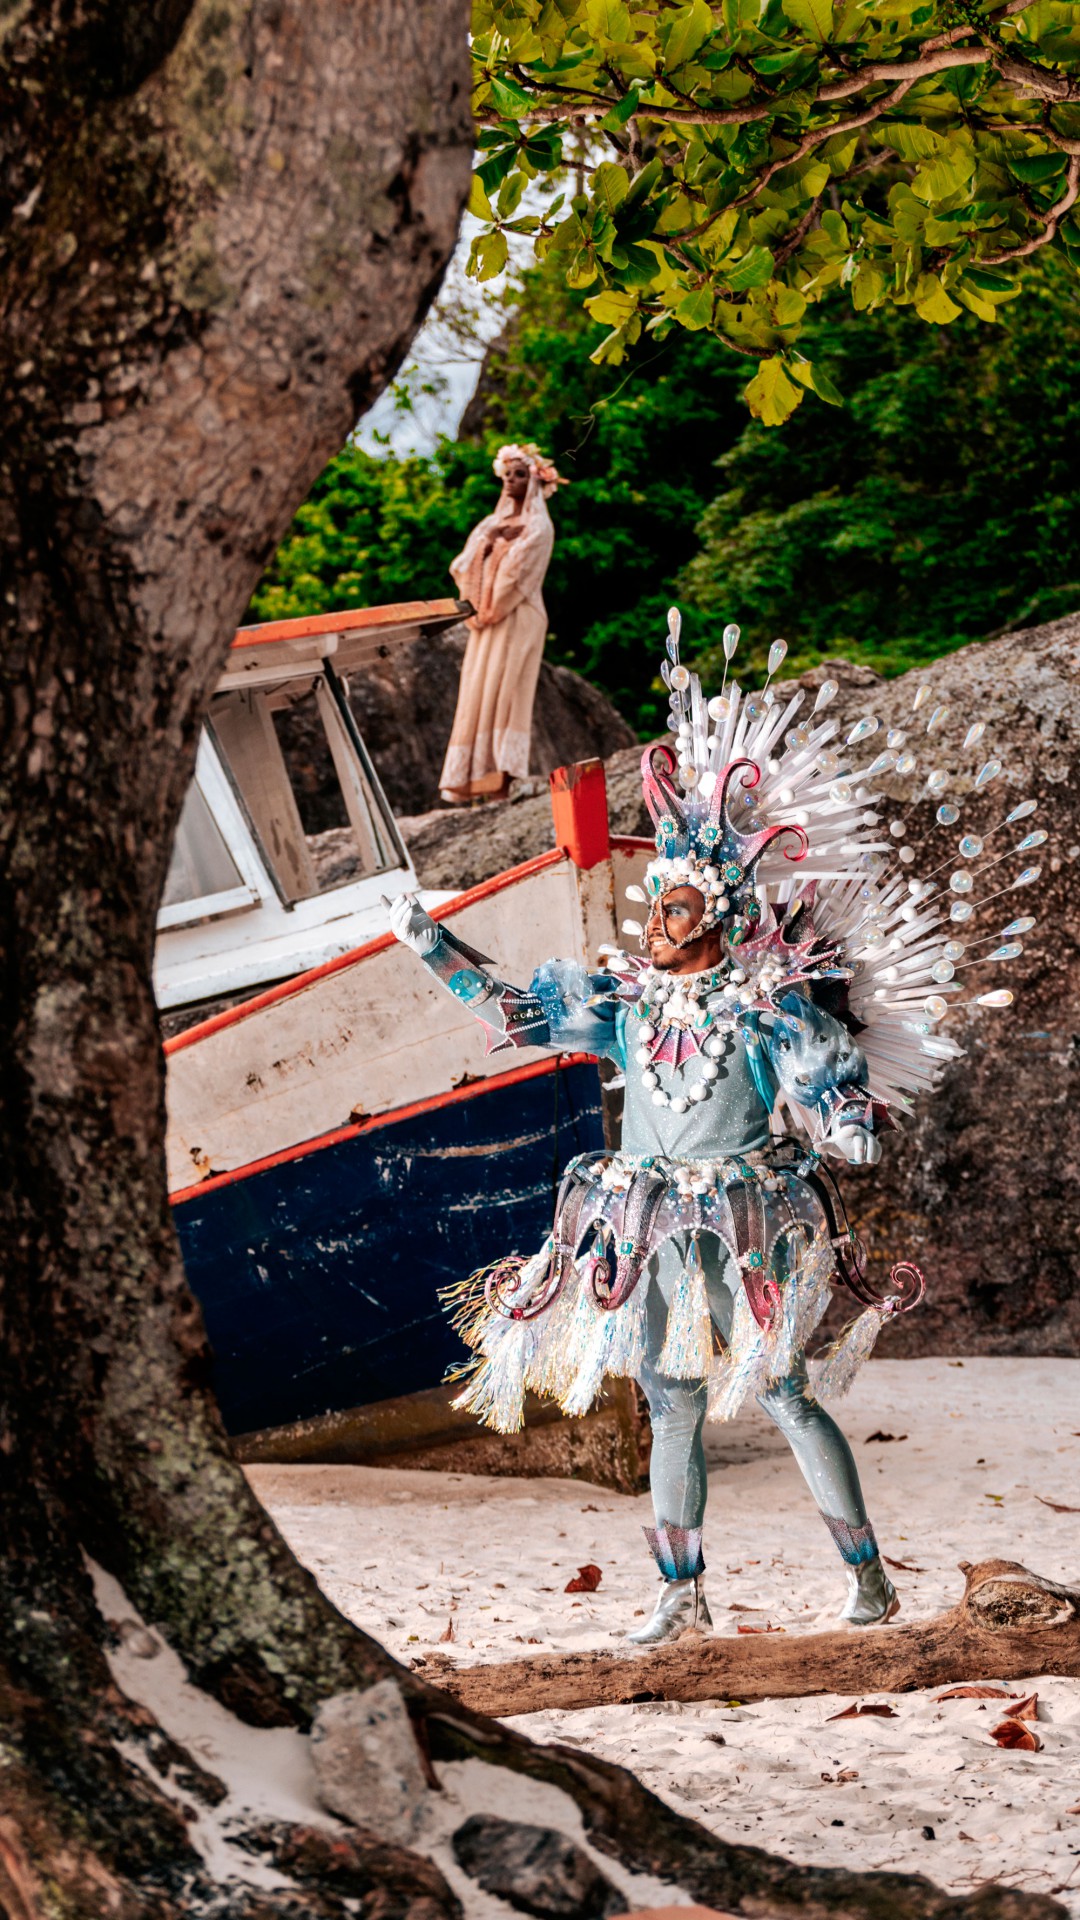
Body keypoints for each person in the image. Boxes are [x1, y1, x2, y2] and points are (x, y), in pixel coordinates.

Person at [388, 608, 1021, 1644]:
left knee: (782, 1390)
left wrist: (847, 1118)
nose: (657, 921)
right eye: (657, 908)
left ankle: (867, 1580)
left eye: (676, 910)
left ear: (719, 916)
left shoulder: (769, 1012)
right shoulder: (627, 1006)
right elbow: (520, 1017)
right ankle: (680, 1595)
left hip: (748, 1217)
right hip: (644, 1217)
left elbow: (834, 1094)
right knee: (670, 1399)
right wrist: (433, 949)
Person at [439, 442, 563, 805]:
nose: (511, 481)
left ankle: (502, 778)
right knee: (477, 690)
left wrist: (488, 603)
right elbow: (461, 565)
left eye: (519, 475)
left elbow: (517, 575)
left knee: (509, 691)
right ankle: (471, 780)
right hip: (486, 619)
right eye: (507, 475)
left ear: (535, 481)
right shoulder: (491, 525)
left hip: (518, 615)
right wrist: (490, 545)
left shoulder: (539, 526)